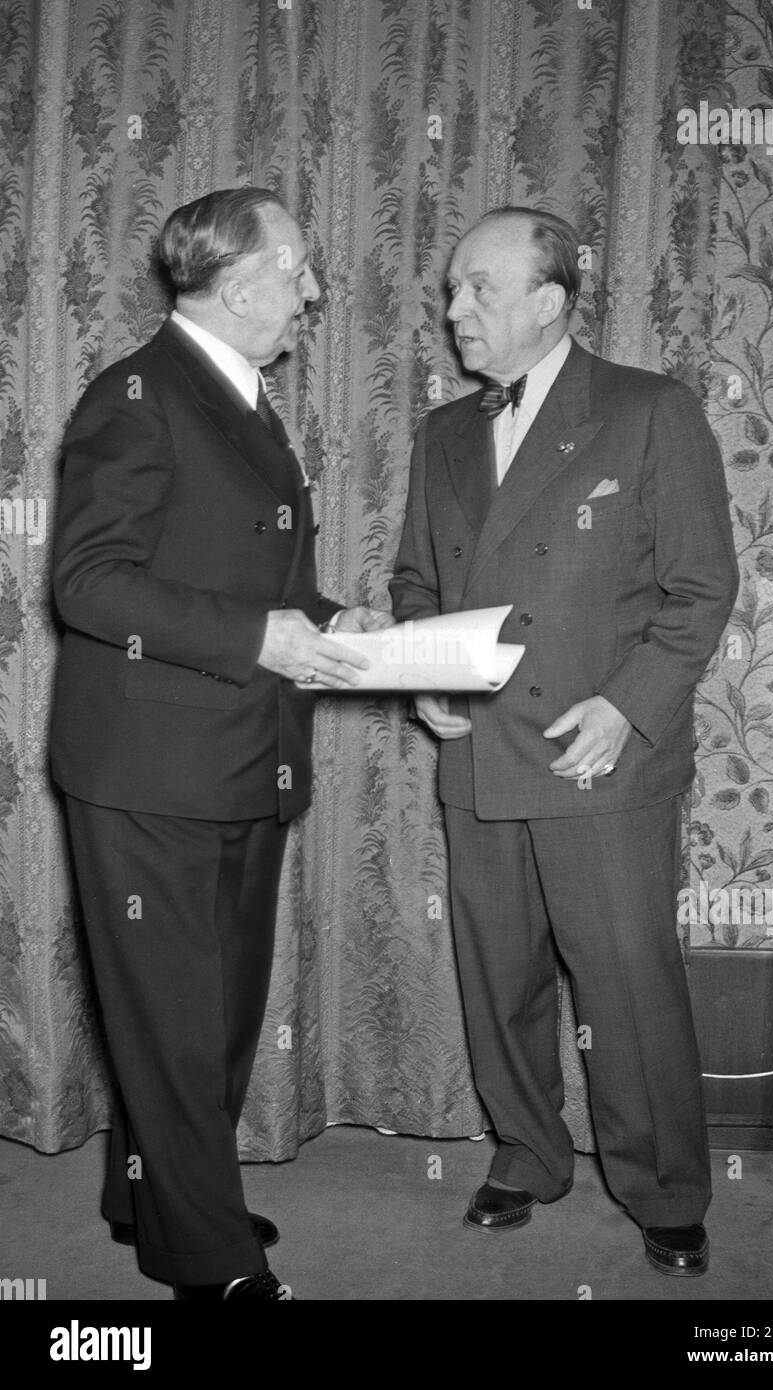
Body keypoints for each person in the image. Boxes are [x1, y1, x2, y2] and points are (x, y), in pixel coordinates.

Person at [50, 187, 391, 1300]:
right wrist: (262, 636)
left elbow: (267, 589)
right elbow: (89, 583)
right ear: (241, 282)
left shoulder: (239, 400)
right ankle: (207, 1258)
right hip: (150, 767)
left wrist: (344, 628)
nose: (314, 292)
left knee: (219, 1005)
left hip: (247, 754)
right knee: (174, 1016)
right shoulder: (136, 397)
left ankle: (149, 1193)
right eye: (300, 272)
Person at [390, 206, 739, 1276]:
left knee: (626, 983)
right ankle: (525, 1153)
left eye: (476, 289)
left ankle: (661, 1186)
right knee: (497, 976)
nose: (454, 311)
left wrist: (628, 705)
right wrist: (421, 681)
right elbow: (414, 580)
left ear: (547, 300)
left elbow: (698, 586)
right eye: (450, 291)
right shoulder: (442, 434)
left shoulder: (646, 410)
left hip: (602, 756)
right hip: (481, 753)